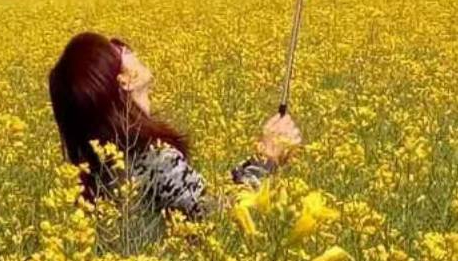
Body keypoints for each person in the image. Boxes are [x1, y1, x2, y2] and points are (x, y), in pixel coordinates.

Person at [48, 31, 302, 223]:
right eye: (119, 48)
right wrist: (266, 159)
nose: (128, 48)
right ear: (124, 80)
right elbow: (218, 214)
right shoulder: (151, 158)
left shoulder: (102, 165)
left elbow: (196, 198)